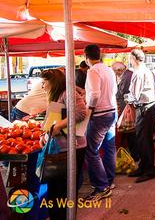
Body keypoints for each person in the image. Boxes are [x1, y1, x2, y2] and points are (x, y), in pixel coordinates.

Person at [40, 69, 88, 220]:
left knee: (62, 192)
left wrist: (59, 126)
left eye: (44, 83)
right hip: (61, 148)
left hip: (73, 148)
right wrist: (45, 134)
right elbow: (52, 119)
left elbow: (81, 112)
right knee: (55, 192)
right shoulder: (59, 95)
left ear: (53, 82)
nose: (43, 86)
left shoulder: (68, 93)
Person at [83, 45, 117, 201]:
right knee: (109, 147)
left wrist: (89, 109)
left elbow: (95, 94)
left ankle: (102, 187)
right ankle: (109, 181)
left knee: (91, 151)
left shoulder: (93, 70)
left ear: (86, 57)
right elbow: (113, 91)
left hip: (100, 115)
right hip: (111, 112)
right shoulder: (108, 69)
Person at [125, 49, 155, 183]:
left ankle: (149, 169)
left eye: (130, 58)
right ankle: (144, 166)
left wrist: (127, 99)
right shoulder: (145, 71)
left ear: (134, 59)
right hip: (148, 106)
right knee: (143, 139)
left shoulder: (139, 73)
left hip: (145, 107)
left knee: (144, 139)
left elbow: (135, 95)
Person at [111, 61, 137, 160]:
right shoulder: (127, 75)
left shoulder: (127, 76)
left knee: (129, 132)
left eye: (115, 71)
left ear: (119, 70)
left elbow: (122, 93)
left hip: (127, 107)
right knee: (129, 133)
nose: (114, 73)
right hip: (126, 107)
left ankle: (134, 155)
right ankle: (132, 153)